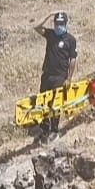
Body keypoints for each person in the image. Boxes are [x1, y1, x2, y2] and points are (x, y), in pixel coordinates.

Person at [33, 11, 78, 140]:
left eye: (61, 24)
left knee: (56, 103)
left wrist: (68, 78)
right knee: (43, 102)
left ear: (65, 24)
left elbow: (73, 59)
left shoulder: (70, 40)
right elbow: (36, 27)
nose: (59, 26)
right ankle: (44, 129)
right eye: (57, 23)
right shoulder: (51, 35)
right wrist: (48, 15)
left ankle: (54, 129)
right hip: (47, 75)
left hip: (60, 76)